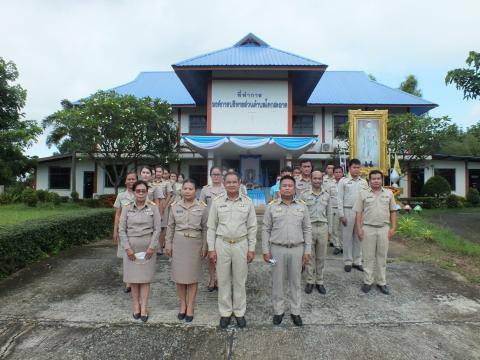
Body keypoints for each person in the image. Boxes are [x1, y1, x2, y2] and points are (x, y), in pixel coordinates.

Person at [207, 171, 257, 329]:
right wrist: (211, 248)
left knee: (240, 281)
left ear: (239, 182)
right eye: (228, 182)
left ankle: (240, 312)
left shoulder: (248, 202)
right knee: (223, 280)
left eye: (234, 182)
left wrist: (251, 248)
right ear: (224, 183)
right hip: (222, 244)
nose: (231, 185)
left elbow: (252, 227)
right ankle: (226, 312)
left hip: (241, 245)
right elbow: (211, 227)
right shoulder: (217, 202)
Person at [262, 175, 312, 326]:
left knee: (296, 282)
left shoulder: (302, 206)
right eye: (284, 185)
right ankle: (279, 311)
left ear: (294, 188)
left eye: (290, 185)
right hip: (277, 249)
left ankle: (295, 312)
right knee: (278, 282)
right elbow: (265, 229)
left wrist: (307, 250)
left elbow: (307, 228)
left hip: (297, 249)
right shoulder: (271, 206)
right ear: (279, 188)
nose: (287, 188)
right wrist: (265, 250)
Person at [166, 179, 208, 322]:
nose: (187, 191)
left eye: (190, 189)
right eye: (185, 188)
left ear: (195, 191)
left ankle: (190, 306)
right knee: (179, 276)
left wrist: (205, 246)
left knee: (192, 277)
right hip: (179, 243)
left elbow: (206, 228)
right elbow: (170, 227)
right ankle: (182, 304)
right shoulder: (174, 206)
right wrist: (168, 244)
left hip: (195, 244)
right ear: (181, 190)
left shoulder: (202, 207)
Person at [119, 180, 161, 322]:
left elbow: (157, 229)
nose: (141, 193)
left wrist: (152, 247)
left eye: (144, 191)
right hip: (131, 249)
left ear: (147, 191)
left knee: (145, 279)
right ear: (134, 192)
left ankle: (144, 307)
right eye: (138, 191)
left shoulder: (153, 208)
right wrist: (127, 248)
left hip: (148, 249)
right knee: (133, 279)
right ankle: (135, 306)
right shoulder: (127, 207)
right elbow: (122, 230)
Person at [354, 170, 397, 295]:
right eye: (373, 179)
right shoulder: (363, 194)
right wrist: (359, 229)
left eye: (378, 178)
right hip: (368, 228)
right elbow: (358, 213)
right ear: (369, 180)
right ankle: (368, 281)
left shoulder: (389, 194)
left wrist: (393, 228)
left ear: (382, 180)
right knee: (368, 256)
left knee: (382, 257)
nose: (376, 181)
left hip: (384, 228)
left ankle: (381, 282)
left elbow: (393, 211)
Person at [299, 170, 330, 295]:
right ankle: (310, 281)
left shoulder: (326, 195)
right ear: (311, 179)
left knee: (321, 257)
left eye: (319, 178)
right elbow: (300, 213)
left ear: (322, 179)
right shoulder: (304, 195)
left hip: (323, 227)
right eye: (315, 178)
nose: (317, 181)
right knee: (309, 256)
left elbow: (329, 214)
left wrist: (330, 231)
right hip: (309, 228)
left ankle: (320, 281)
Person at [337, 158, 369, 272]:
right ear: (349, 168)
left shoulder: (364, 182)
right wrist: (341, 215)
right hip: (347, 211)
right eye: (354, 167)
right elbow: (339, 198)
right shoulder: (343, 181)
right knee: (347, 238)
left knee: (359, 237)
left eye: (358, 167)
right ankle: (347, 261)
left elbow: (366, 198)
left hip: (360, 212)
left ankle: (357, 261)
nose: (356, 170)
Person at [199, 166, 225, 292]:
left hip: (223, 225)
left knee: (221, 255)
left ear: (222, 176)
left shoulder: (226, 189)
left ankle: (220, 279)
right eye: (214, 174)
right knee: (211, 254)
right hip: (209, 226)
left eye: (218, 174)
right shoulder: (205, 190)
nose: (216, 176)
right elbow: (201, 208)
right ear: (210, 175)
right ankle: (212, 279)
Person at [112, 171, 137, 293]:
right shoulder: (121, 196)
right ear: (126, 181)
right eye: (129, 179)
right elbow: (117, 214)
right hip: (124, 230)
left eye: (133, 179)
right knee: (126, 256)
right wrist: (115, 230)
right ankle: (128, 283)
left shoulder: (142, 194)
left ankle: (137, 280)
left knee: (137, 255)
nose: (131, 181)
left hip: (138, 230)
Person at [328, 166, 344, 255]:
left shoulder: (346, 183)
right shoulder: (330, 184)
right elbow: (328, 196)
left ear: (342, 173)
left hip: (343, 209)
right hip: (333, 208)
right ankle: (337, 246)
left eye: (339, 172)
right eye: (336, 172)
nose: (338, 174)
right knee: (335, 228)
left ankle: (343, 246)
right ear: (333, 174)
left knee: (343, 229)